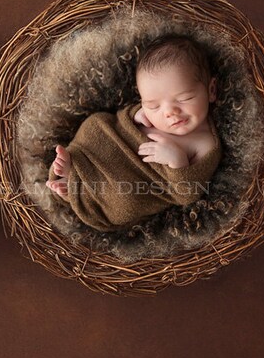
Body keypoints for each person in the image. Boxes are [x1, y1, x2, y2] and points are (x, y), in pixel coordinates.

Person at [46, 35, 221, 231]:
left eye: (183, 99)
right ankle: (77, 171)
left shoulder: (205, 143)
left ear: (211, 90)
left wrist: (177, 160)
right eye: (153, 106)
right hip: (116, 142)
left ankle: (80, 193)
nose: (169, 112)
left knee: (126, 199)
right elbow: (122, 121)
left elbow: (188, 193)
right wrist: (134, 115)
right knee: (96, 123)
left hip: (139, 179)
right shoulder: (146, 112)